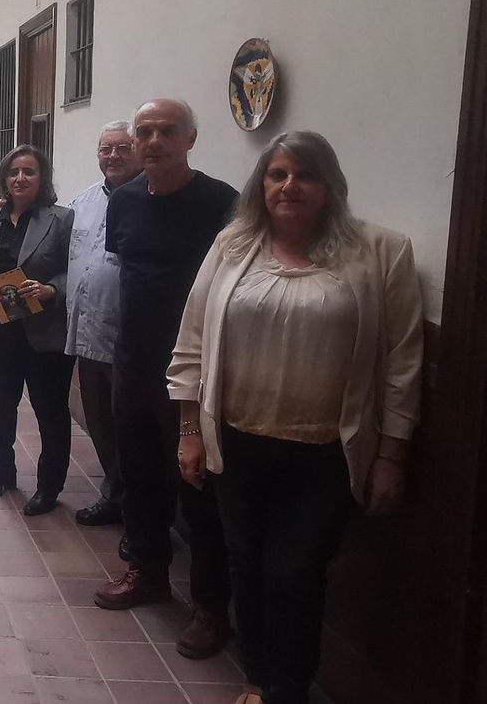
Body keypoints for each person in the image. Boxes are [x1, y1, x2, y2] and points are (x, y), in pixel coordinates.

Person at [172, 131, 423, 704]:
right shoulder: (233, 245)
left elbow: (403, 362)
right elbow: (191, 342)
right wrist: (189, 433)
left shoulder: (380, 252)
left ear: (329, 186)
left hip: (325, 452)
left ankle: (288, 690)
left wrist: (392, 454)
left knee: (295, 572)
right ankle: (258, 678)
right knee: (246, 564)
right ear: (260, 184)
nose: (290, 186)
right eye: (277, 174)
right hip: (238, 441)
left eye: (305, 175)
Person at [93, 98, 238, 661]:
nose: (154, 141)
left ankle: (209, 605)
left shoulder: (221, 203)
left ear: (190, 139)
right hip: (132, 363)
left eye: (167, 131)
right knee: (139, 476)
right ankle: (147, 571)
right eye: (145, 131)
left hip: (195, 369)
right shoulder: (125, 202)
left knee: (198, 489)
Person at [0, 144, 76, 516]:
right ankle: (0, 473)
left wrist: (50, 289)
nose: (20, 178)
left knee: (50, 412)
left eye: (29, 171)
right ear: (4, 178)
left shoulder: (61, 219)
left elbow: (73, 271)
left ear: (42, 178)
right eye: (13, 172)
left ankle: (48, 488)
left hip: (43, 335)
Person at [63, 122, 142, 531]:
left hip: (131, 344)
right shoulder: (84, 201)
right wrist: (0, 206)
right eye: (105, 148)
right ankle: (115, 495)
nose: (112, 156)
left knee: (133, 430)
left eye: (122, 147)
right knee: (100, 423)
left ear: (139, 149)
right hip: (87, 334)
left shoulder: (151, 199)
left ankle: (140, 514)